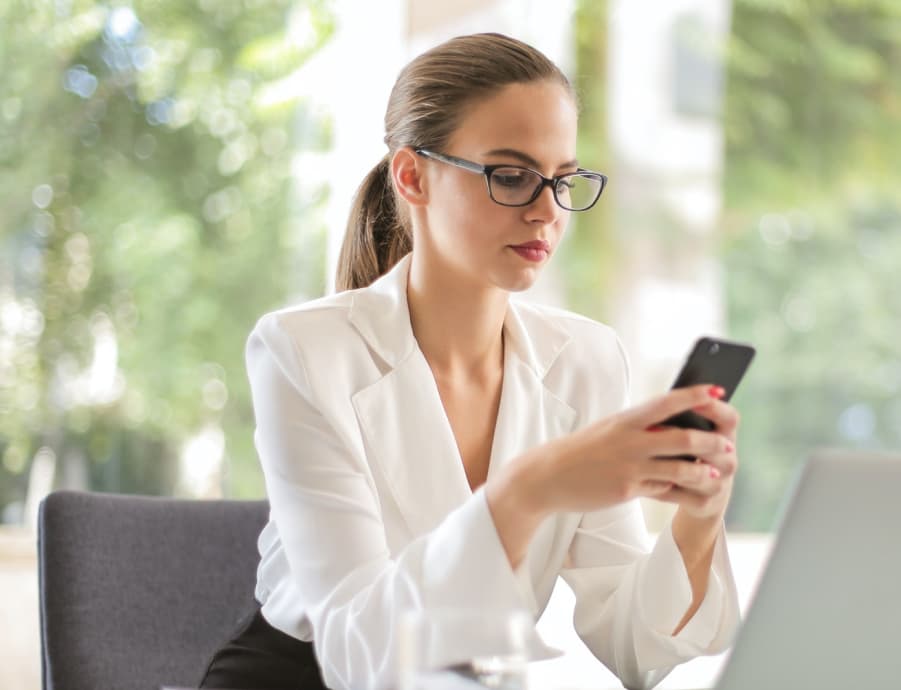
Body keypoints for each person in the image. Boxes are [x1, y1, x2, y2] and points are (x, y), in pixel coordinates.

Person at [200, 32, 740, 690]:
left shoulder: (586, 360)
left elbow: (635, 648)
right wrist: (527, 489)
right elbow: (359, 652)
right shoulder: (303, 351)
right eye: (511, 176)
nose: (546, 211)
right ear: (412, 176)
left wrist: (699, 514)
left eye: (563, 180)